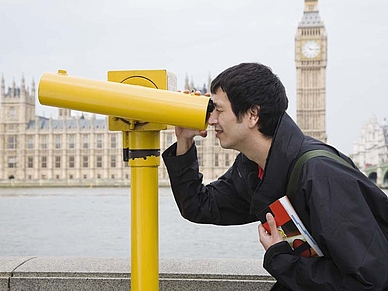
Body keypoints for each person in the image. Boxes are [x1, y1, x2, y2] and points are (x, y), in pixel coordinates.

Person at [162, 62, 388, 290]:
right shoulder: (253, 166)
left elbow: (369, 281)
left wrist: (280, 258)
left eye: (219, 110)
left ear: (252, 114)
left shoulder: (322, 175)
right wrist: (184, 141)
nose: (211, 121)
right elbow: (199, 205)